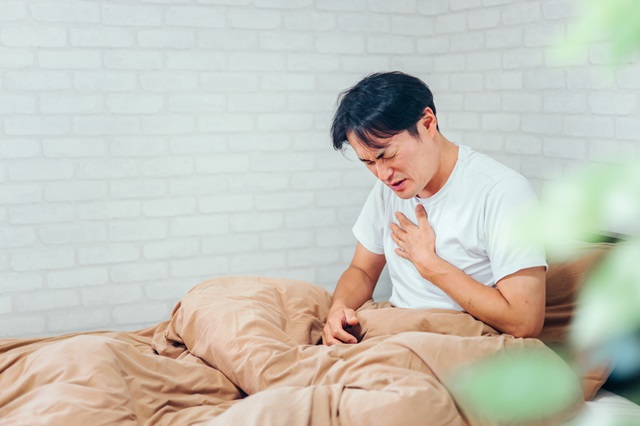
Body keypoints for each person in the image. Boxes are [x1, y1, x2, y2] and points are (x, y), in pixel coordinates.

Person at [322, 71, 547, 346]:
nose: (381, 174)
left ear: (427, 124)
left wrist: (430, 264)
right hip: (396, 326)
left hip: (460, 337)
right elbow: (362, 270)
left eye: (387, 155)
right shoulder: (388, 188)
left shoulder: (502, 191)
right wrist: (338, 309)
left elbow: (525, 321)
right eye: (368, 162)